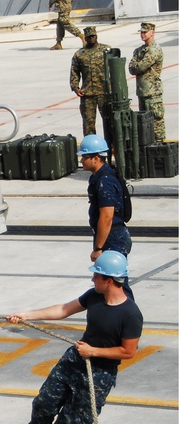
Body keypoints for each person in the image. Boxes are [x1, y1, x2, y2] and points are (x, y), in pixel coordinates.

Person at [6, 251, 142, 424]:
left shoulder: (130, 314)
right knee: (44, 403)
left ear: (109, 280)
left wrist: (94, 351)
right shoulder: (95, 297)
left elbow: (128, 351)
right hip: (74, 361)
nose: (92, 280)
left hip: (100, 373)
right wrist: (25, 315)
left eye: (96, 276)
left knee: (74, 419)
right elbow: (63, 310)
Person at [79, 134, 133, 298]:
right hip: (113, 235)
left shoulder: (105, 181)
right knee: (108, 282)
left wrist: (99, 248)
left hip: (113, 237)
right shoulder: (100, 176)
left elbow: (107, 216)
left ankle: (127, 315)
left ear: (96, 158)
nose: (81, 161)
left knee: (116, 282)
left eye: (84, 157)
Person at [70, 26, 111, 137]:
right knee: (88, 123)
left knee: (110, 121)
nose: (92, 38)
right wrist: (75, 87)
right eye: (89, 37)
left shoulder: (106, 50)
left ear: (96, 36)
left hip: (105, 93)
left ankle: (111, 145)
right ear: (86, 38)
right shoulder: (79, 54)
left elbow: (115, 68)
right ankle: (92, 149)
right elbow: (74, 72)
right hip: (88, 94)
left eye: (93, 36)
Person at [129, 22, 164, 142]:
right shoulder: (139, 50)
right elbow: (131, 68)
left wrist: (137, 65)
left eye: (145, 32)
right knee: (145, 125)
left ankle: (159, 150)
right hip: (142, 92)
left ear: (152, 33)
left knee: (156, 126)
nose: (142, 34)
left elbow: (139, 67)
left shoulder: (154, 50)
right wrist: (136, 66)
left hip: (153, 93)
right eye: (141, 32)